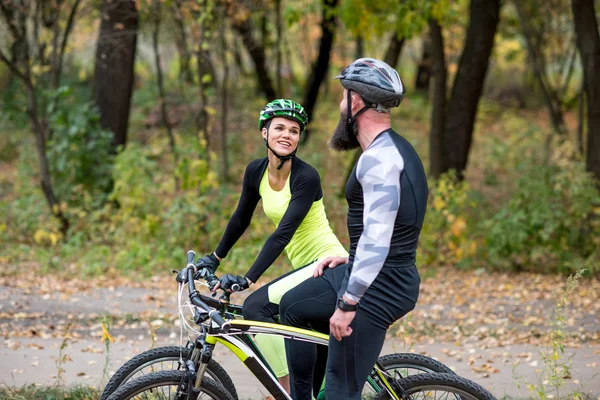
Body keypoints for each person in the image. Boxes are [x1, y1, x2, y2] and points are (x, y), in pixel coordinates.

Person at [279, 58, 429, 400]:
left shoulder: (379, 161)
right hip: (375, 271)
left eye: (343, 97)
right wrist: (350, 259)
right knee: (293, 306)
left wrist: (347, 305)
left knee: (341, 389)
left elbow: (378, 240)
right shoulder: (391, 150)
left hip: (381, 286)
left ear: (356, 103)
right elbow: (388, 229)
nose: (339, 105)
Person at [196, 99, 348, 393]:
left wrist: (247, 279)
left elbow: (283, 233)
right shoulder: (256, 171)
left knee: (256, 306)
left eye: (294, 130)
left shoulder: (306, 177)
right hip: (306, 268)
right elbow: (241, 218)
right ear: (264, 132)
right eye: (279, 128)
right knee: (290, 326)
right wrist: (215, 258)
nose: (286, 135)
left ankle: (286, 389)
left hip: (328, 263)